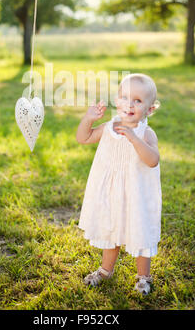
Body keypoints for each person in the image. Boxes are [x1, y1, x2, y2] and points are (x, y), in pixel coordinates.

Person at [76, 73, 161, 295]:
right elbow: (83, 138)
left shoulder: (146, 134)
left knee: (139, 232)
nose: (129, 104)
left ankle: (144, 276)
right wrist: (88, 119)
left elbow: (152, 160)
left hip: (136, 195)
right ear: (117, 100)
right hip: (111, 193)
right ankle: (105, 270)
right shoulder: (109, 127)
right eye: (124, 97)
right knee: (110, 229)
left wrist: (134, 138)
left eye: (138, 101)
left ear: (150, 109)